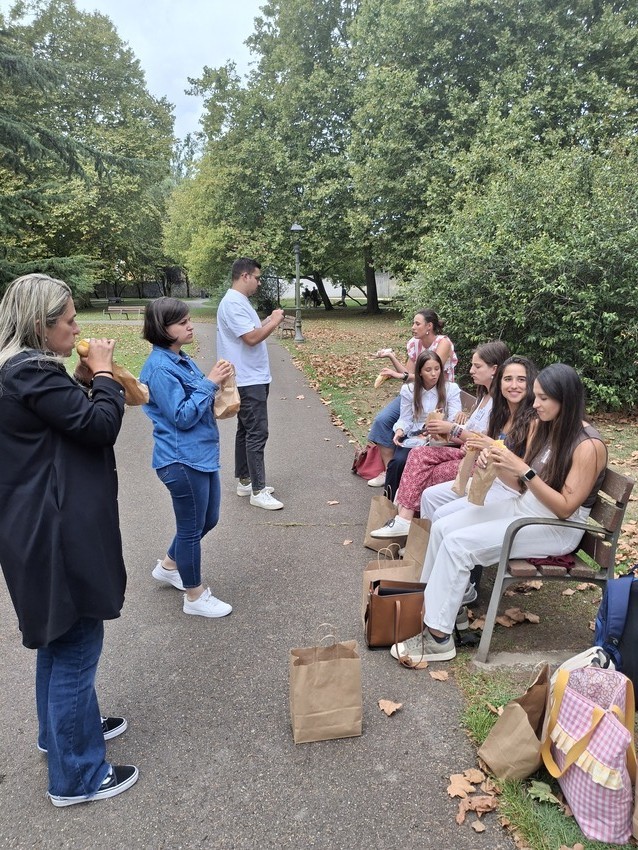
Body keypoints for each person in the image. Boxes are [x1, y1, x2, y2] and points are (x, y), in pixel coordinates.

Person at [0, 273, 137, 806]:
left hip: (34, 524)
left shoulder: (21, 373)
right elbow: (99, 426)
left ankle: (61, 732)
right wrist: (103, 374)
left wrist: (81, 380)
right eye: (70, 320)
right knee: (78, 639)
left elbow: (62, 422)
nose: (78, 327)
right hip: (55, 530)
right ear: (41, 325)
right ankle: (77, 777)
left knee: (57, 638)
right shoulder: (32, 372)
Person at [391, 363, 608, 664]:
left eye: (543, 398)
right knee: (443, 527)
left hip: (556, 528)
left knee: (459, 545)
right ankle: (431, 612)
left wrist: (523, 469)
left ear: (565, 399)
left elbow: (564, 507)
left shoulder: (589, 446)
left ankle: (438, 638)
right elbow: (519, 485)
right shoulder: (547, 427)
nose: (535, 404)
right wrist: (496, 462)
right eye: (536, 396)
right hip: (526, 508)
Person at [140, 298, 234, 618]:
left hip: (200, 454)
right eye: (182, 322)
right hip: (180, 460)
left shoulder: (180, 358)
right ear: (162, 329)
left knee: (208, 519)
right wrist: (210, 383)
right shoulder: (159, 368)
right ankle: (194, 596)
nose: (190, 325)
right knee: (191, 528)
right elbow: (181, 416)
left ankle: (169, 566)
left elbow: (198, 397)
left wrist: (217, 386)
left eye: (189, 320)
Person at [216, 257, 286, 510]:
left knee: (245, 430)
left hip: (251, 376)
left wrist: (267, 320)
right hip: (248, 379)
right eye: (257, 277)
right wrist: (275, 321)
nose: (258, 282)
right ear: (245, 276)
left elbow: (251, 331)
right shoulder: (233, 303)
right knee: (257, 432)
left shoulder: (239, 302)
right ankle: (257, 490)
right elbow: (251, 338)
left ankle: (245, 481)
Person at [369, 350, 461, 524]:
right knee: (398, 462)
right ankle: (389, 506)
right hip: (415, 437)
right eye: (428, 370)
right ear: (419, 372)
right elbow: (405, 418)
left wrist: (451, 421)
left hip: (441, 439)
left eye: (437, 369)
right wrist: (399, 431)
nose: (434, 374)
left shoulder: (450, 389)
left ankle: (411, 515)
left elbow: (455, 417)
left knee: (417, 462)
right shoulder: (409, 390)